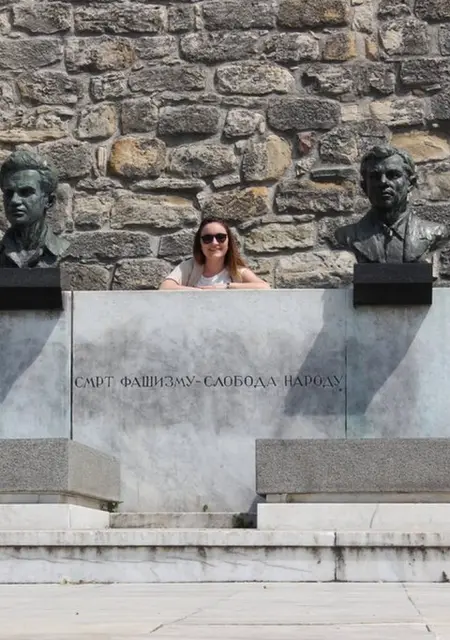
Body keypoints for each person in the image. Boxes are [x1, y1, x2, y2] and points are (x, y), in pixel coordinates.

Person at [335, 145, 449, 263]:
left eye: (393, 175)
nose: (383, 182)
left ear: (411, 183)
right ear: (364, 187)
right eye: (375, 176)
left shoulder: (435, 233)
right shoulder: (346, 236)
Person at [0, 149, 69, 268]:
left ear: (49, 201)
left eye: (25, 192)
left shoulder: (64, 252)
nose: (14, 200)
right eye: (9, 193)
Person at [160, 218, 270, 290]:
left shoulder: (237, 272)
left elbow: (265, 287)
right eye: (207, 238)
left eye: (220, 237)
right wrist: (199, 292)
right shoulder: (189, 267)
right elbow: (165, 287)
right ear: (200, 244)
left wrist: (226, 287)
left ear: (228, 242)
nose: (214, 243)